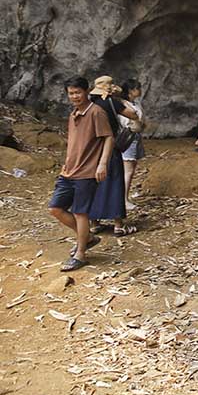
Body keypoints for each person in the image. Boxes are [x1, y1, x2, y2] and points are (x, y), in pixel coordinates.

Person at [48, 77, 113, 272]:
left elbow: (108, 138)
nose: (75, 96)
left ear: (87, 92)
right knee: (55, 208)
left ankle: (80, 255)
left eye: (78, 92)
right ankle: (88, 237)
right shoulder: (74, 114)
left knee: (80, 212)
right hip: (69, 171)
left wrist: (102, 164)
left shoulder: (96, 112)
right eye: (71, 93)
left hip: (87, 172)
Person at [87, 76, 139, 237]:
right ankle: (118, 225)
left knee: (94, 183)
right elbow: (133, 115)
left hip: (93, 147)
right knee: (115, 181)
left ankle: (94, 223)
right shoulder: (112, 102)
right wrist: (120, 100)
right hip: (110, 145)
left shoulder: (90, 104)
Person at [119, 79, 145, 206]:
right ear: (131, 91)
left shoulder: (134, 103)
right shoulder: (124, 105)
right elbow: (129, 119)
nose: (140, 90)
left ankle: (124, 197)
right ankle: (123, 199)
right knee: (127, 170)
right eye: (137, 88)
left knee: (131, 168)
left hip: (135, 136)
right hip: (129, 135)